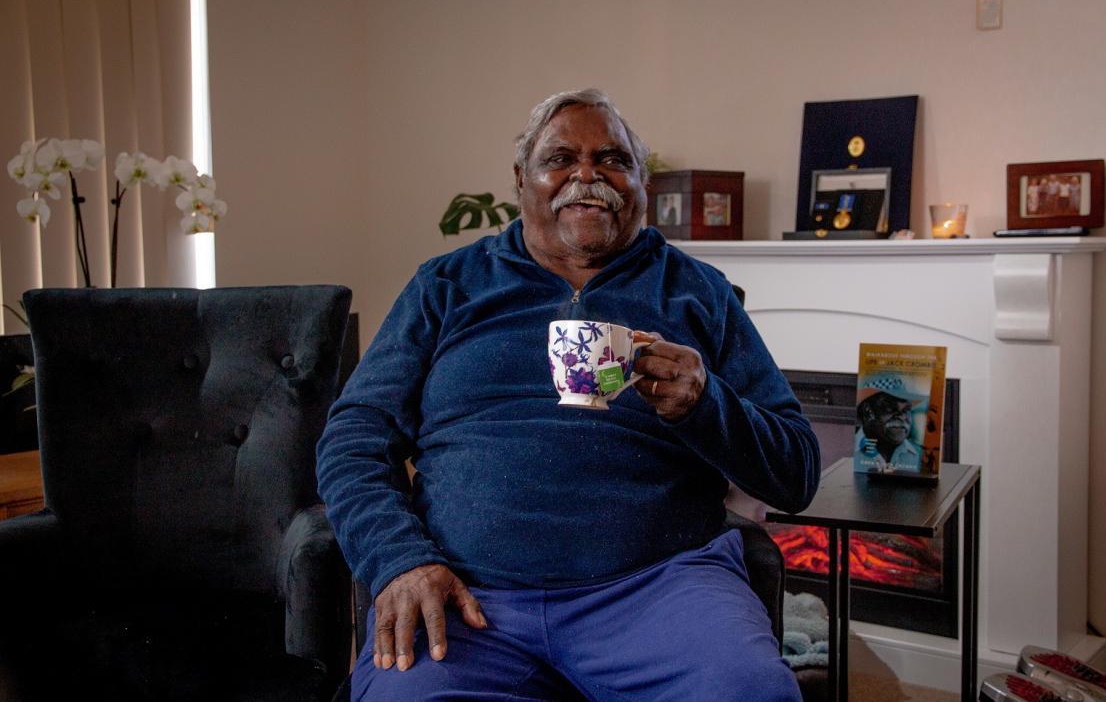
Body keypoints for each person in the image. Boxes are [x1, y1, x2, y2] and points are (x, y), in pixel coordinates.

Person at [316, 89, 821, 701]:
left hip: (661, 588)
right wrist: (399, 558)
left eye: (612, 158)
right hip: (470, 597)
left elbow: (797, 472)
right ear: (520, 181)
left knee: (750, 693)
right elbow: (352, 438)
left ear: (640, 182)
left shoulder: (698, 292)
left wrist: (705, 402)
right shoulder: (445, 286)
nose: (587, 174)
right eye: (561, 158)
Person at [853, 377, 924, 473]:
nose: (902, 417)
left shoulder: (921, 456)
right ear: (868, 412)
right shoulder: (847, 453)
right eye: (890, 408)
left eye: (906, 409)